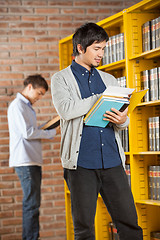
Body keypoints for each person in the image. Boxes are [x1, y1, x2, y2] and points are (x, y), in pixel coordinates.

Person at [51, 23, 143, 240]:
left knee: (130, 223)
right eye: (96, 49)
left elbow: (118, 121)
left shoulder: (109, 80)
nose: (101, 54)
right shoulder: (61, 79)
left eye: (103, 48)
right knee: (84, 229)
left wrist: (122, 120)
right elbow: (66, 110)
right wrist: (99, 99)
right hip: (81, 164)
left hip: (112, 161)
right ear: (80, 48)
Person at [8, 74, 59, 240]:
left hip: (31, 160)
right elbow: (28, 133)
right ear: (29, 87)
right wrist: (51, 132)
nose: (40, 97)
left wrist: (48, 126)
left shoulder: (26, 106)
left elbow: (31, 130)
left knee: (33, 204)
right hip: (25, 161)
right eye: (39, 93)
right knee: (31, 205)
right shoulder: (18, 106)